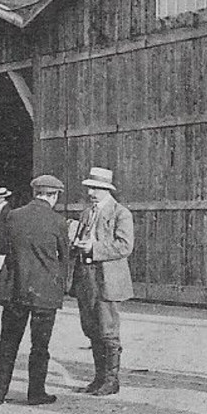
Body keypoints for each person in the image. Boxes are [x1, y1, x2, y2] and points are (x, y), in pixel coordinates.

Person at [0, 175, 73, 406]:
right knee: (40, 346)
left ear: (35, 193)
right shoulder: (58, 221)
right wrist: (62, 285)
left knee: (8, 343)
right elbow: (64, 258)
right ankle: (36, 393)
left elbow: (5, 247)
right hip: (44, 292)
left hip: (15, 289)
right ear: (53, 195)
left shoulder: (13, 216)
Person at [70, 167, 135, 396]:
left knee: (108, 331)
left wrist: (93, 248)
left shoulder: (121, 213)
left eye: (95, 188)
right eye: (89, 188)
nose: (90, 193)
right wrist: (76, 243)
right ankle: (98, 379)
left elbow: (125, 246)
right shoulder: (87, 213)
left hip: (108, 280)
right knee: (91, 329)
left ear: (107, 189)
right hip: (86, 278)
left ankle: (111, 380)